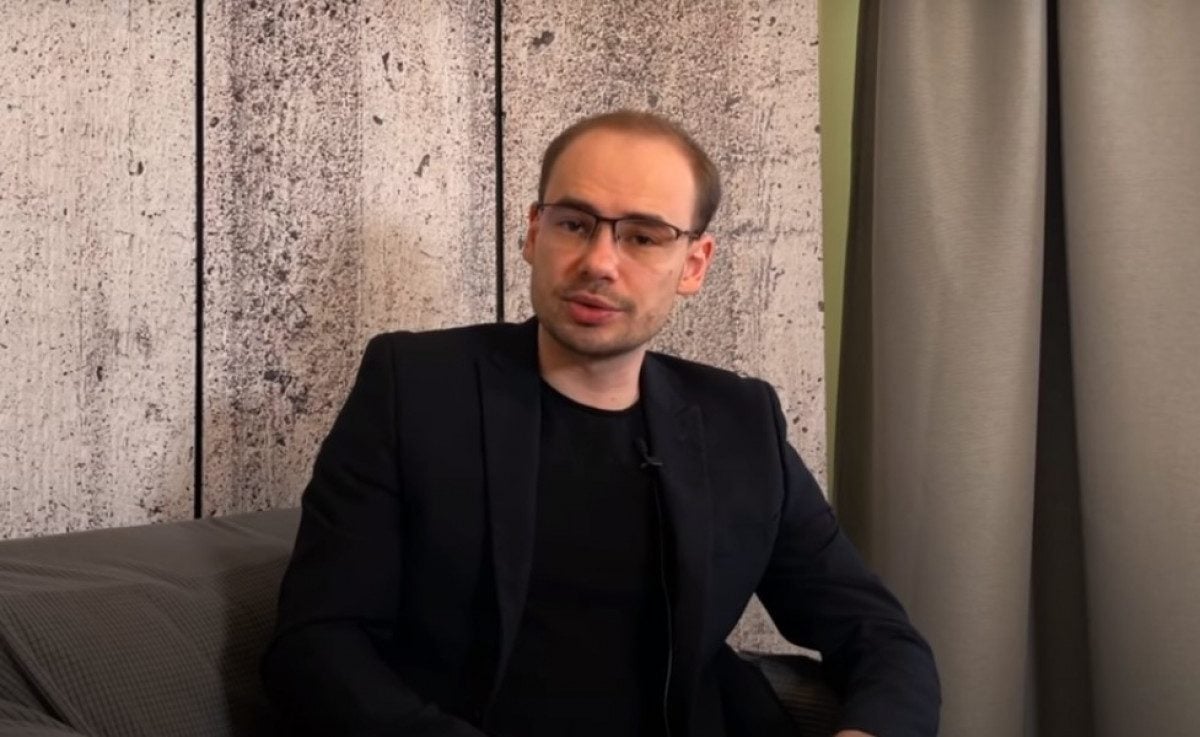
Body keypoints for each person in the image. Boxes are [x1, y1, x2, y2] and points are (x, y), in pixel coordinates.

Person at [261, 110, 940, 737]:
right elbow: (317, 642)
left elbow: (878, 634)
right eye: (575, 223)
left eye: (643, 236)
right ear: (534, 233)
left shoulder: (740, 421)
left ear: (693, 265)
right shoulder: (415, 388)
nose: (599, 262)